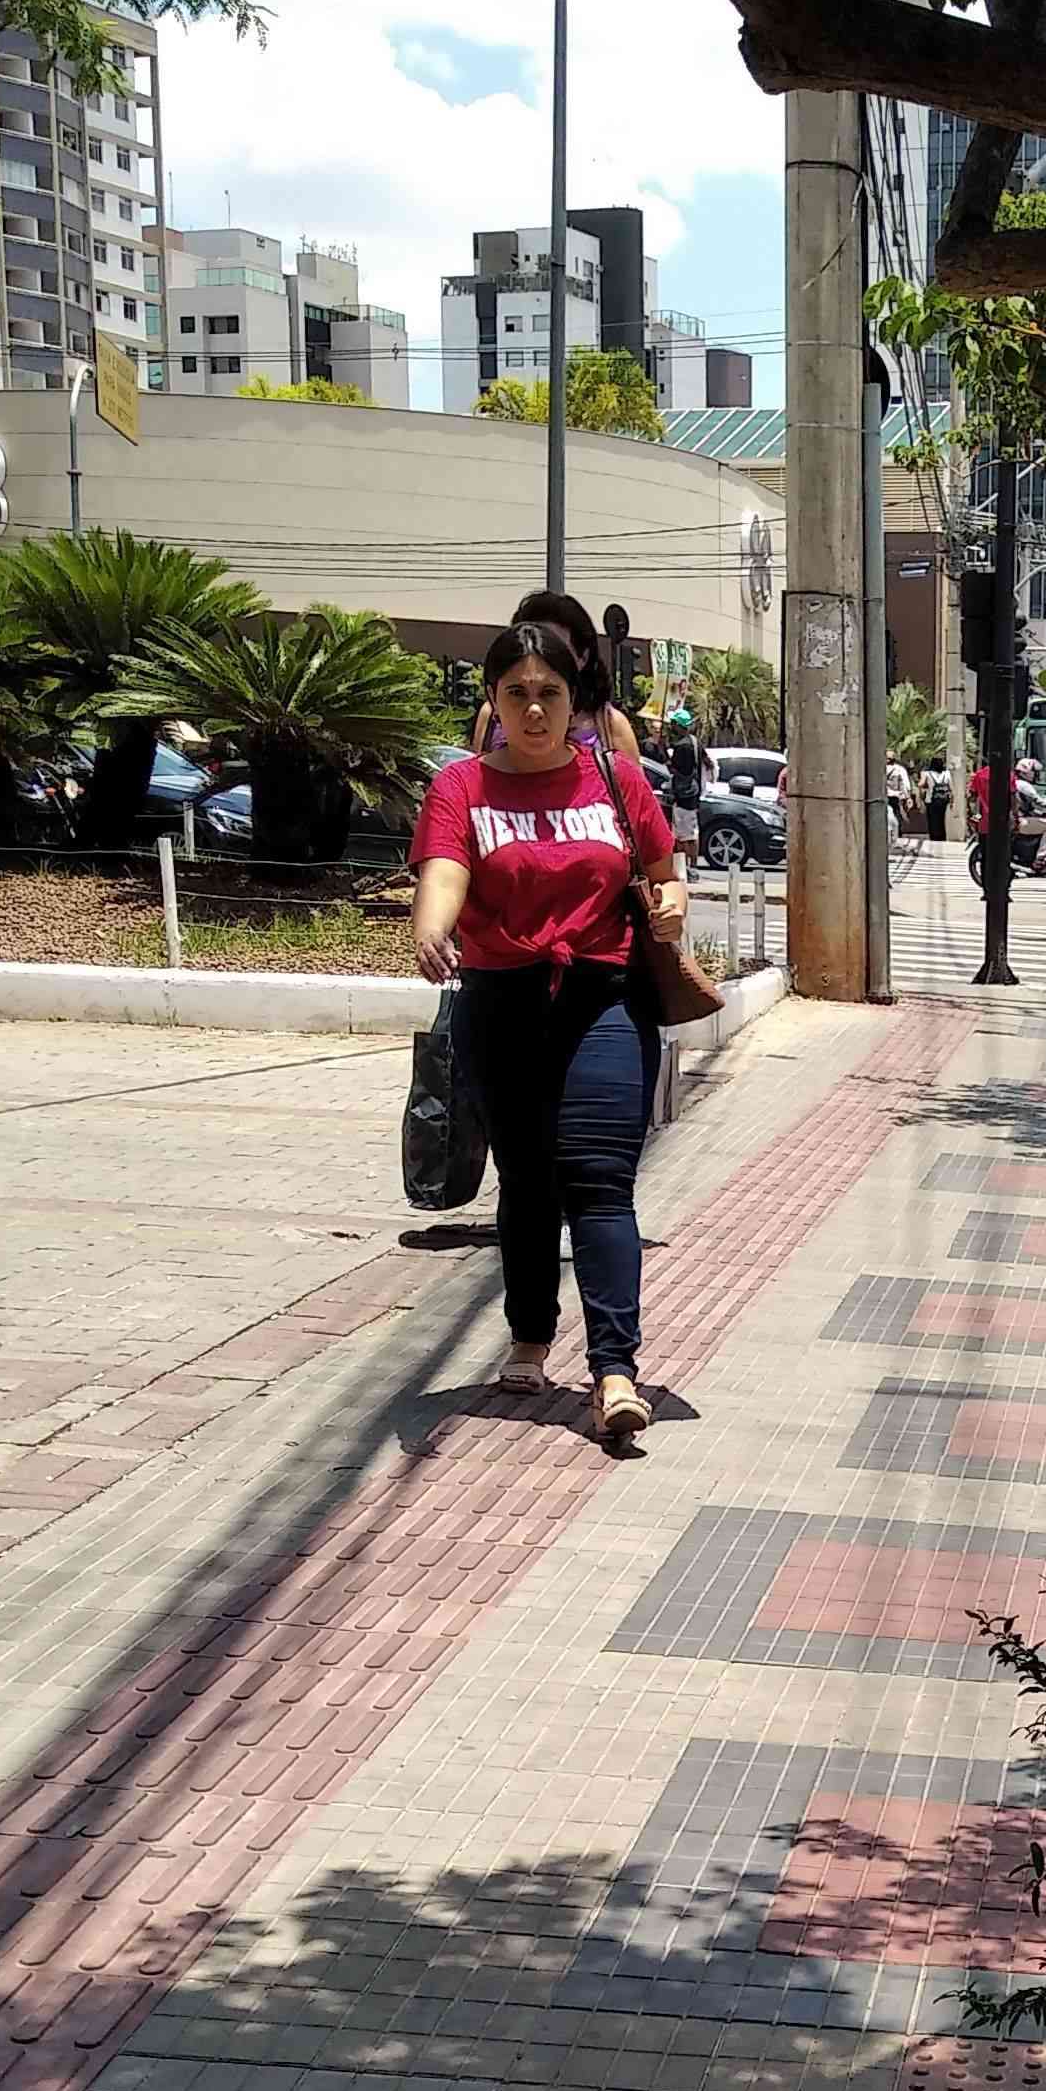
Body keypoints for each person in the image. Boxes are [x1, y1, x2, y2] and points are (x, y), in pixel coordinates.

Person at [413, 619, 686, 1456]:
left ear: (574, 701)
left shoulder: (614, 779)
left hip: (604, 997)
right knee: (528, 1180)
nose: (534, 710)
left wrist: (673, 905)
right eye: (517, 694)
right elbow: (445, 868)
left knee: (600, 1181)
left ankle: (615, 1373)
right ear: (493, 702)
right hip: (502, 1000)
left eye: (550, 694)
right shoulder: (462, 786)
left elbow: (665, 873)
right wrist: (432, 927)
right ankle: (531, 1335)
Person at [471, 588, 640, 769]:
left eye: (553, 649)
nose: (539, 657)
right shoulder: (490, 716)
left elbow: (630, 784)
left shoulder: (610, 725)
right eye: (530, 644)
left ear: (583, 657)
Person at [662, 705, 709, 833]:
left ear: (678, 725)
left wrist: (666, 758)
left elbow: (676, 771)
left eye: (673, 723)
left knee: (684, 832)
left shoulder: (681, 746)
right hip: (694, 791)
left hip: (684, 794)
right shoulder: (695, 741)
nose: (671, 726)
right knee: (692, 830)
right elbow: (705, 760)